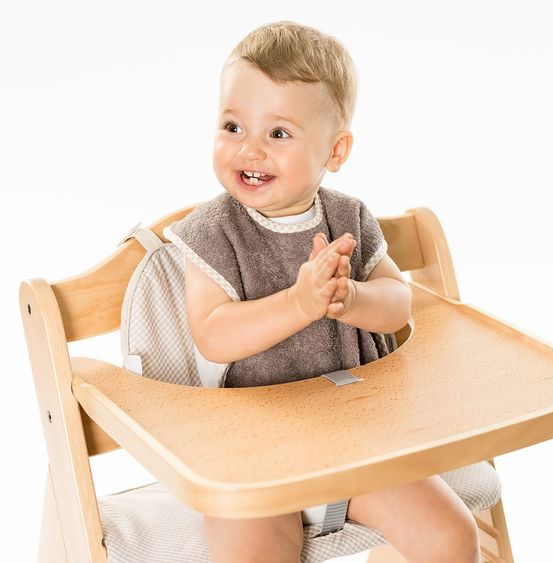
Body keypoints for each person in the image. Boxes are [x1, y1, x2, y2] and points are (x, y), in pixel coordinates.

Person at [164, 20, 480, 563]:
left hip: (359, 440)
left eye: (278, 134)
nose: (250, 150)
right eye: (233, 126)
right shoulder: (211, 233)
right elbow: (213, 334)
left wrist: (352, 299)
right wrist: (298, 303)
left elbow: (398, 302)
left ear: (335, 151)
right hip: (252, 453)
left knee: (452, 537)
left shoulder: (349, 218)